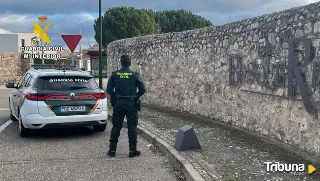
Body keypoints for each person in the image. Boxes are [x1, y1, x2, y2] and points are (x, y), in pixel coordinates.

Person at [106, 54, 146, 158]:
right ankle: (132, 151)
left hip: (118, 103)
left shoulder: (115, 74)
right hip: (131, 103)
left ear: (121, 63)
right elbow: (142, 89)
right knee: (132, 128)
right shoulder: (134, 74)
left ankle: (112, 150)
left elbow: (109, 90)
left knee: (116, 127)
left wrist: (116, 95)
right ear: (130, 63)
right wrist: (135, 96)